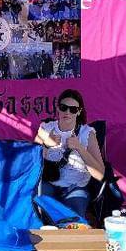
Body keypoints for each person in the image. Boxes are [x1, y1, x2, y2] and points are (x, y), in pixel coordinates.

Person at [34, 89, 104, 217]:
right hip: (49, 183)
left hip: (76, 187)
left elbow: (100, 174)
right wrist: (46, 144)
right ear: (58, 108)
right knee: (39, 211)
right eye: (63, 107)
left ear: (79, 112)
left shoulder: (87, 133)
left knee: (73, 219)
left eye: (73, 109)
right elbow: (31, 162)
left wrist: (79, 148)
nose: (67, 112)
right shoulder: (46, 128)